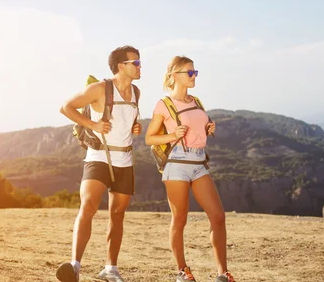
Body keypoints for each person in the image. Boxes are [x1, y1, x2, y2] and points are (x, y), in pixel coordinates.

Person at [145, 56, 236, 282]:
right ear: (175, 75)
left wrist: (208, 128)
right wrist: (171, 135)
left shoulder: (196, 101)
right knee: (180, 219)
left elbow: (199, 129)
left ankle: (222, 274)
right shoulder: (164, 104)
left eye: (195, 72)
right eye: (190, 72)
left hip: (198, 163)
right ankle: (182, 271)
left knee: (218, 216)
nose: (194, 76)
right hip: (176, 165)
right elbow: (149, 138)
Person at [56, 45, 142, 282]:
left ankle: (110, 269)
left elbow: (132, 119)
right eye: (135, 63)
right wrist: (92, 125)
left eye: (139, 62)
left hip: (124, 159)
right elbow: (66, 107)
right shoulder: (99, 89)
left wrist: (137, 126)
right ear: (120, 66)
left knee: (117, 214)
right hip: (98, 156)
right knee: (89, 205)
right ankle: (74, 265)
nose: (139, 66)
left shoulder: (136, 92)